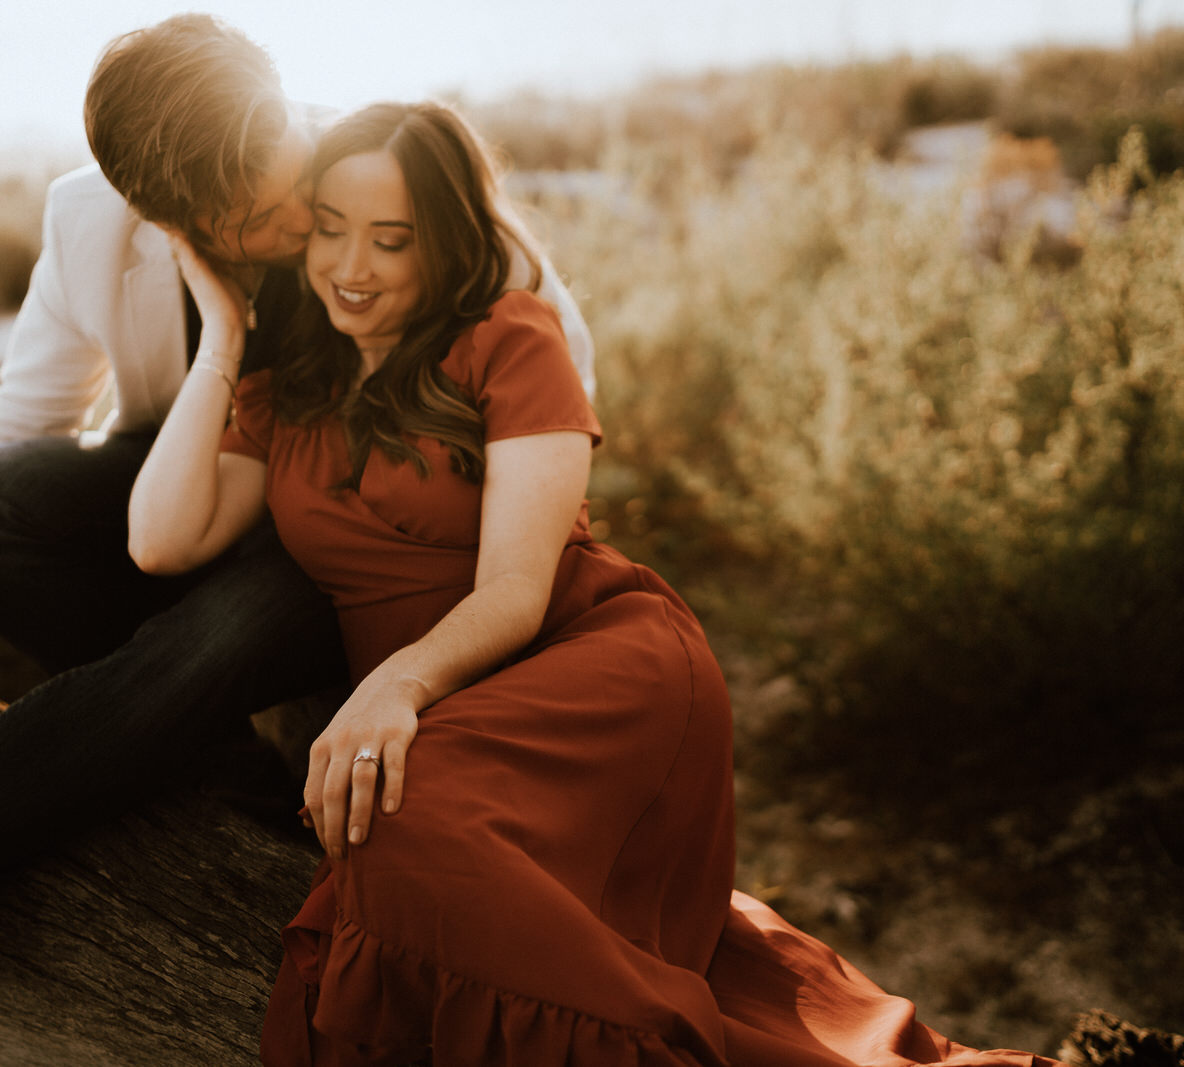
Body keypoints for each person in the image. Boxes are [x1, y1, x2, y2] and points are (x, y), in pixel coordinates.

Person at [0, 15, 593, 1067]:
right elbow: (31, 409)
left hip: (350, 539)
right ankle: (210, 747)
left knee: (218, 632)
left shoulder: (382, 183)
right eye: (231, 222)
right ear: (156, 210)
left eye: (278, 200)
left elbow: (545, 371)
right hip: (193, 488)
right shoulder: (90, 224)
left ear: (283, 114)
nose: (268, 231)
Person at [129, 101, 1064, 1066]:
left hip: (586, 661)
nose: (351, 268)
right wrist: (220, 335)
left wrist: (392, 686)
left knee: (402, 833)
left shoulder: (507, 337)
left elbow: (517, 591)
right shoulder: (291, 388)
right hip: (456, 699)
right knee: (431, 851)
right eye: (328, 230)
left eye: (391, 240)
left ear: (444, 242)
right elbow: (162, 539)